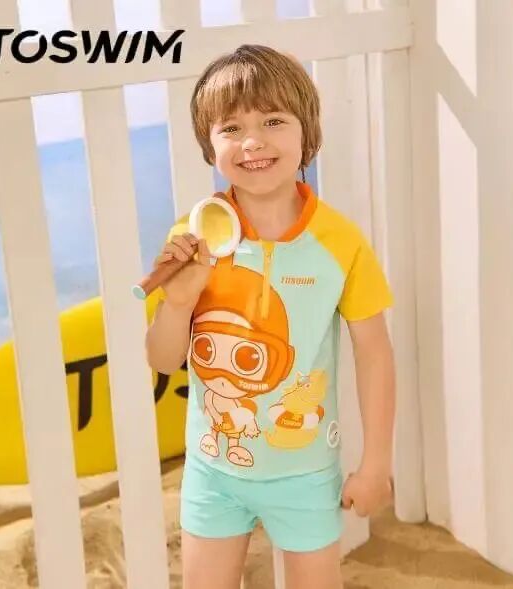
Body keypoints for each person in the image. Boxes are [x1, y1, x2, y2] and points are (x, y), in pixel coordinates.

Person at [145, 44, 396, 589]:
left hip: (305, 474)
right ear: (209, 145)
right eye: (231, 128)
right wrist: (179, 301)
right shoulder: (191, 238)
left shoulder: (340, 242)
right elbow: (163, 361)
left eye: (273, 121)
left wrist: (376, 464)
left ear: (308, 131)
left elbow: (374, 352)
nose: (253, 141)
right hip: (213, 470)